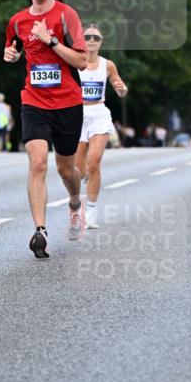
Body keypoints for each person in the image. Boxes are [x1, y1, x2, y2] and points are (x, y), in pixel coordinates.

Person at [4, 0, 87, 259]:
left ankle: (76, 202)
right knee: (38, 162)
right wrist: (11, 55)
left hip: (68, 102)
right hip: (34, 101)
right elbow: (11, 48)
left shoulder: (66, 15)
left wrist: (50, 40)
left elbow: (81, 61)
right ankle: (40, 231)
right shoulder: (17, 21)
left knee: (66, 168)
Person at [74, 24, 128, 229]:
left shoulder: (108, 65)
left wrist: (122, 90)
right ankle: (78, 199)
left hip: (98, 114)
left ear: (100, 42)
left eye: (96, 38)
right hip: (78, 115)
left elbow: (119, 86)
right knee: (79, 170)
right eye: (87, 36)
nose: (91, 40)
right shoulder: (74, 62)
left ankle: (92, 211)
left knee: (94, 161)